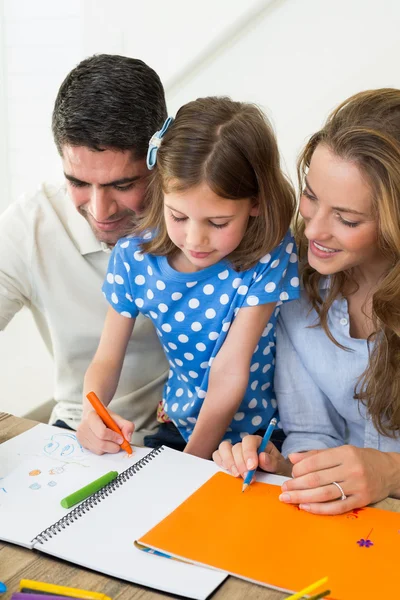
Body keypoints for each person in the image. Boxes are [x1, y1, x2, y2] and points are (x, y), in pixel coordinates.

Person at [213, 88, 400, 513]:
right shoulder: (296, 289)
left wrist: (390, 471)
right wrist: (285, 467)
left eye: (347, 219)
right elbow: (312, 433)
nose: (313, 231)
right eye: (311, 197)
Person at [83, 96, 300, 459]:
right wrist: (93, 413)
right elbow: (106, 358)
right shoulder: (133, 257)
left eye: (217, 223)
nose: (194, 240)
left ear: (256, 203)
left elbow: (231, 371)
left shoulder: (270, 252)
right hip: (177, 424)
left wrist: (190, 464)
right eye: (178, 216)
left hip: (258, 436)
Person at [0, 54, 169, 446]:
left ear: (159, 158)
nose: (99, 210)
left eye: (123, 185)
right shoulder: (31, 226)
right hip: (80, 429)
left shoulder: (207, 220)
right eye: (77, 182)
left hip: (189, 431)